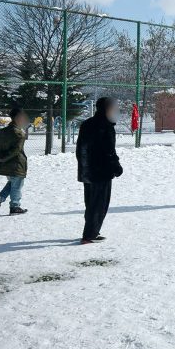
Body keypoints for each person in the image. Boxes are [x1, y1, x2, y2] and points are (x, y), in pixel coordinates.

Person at [76, 97, 123, 244]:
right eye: (113, 108)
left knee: (91, 203)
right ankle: (89, 235)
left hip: (87, 171)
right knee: (99, 204)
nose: (115, 111)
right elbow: (108, 150)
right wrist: (116, 166)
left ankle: (92, 232)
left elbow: (80, 149)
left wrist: (84, 168)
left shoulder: (87, 124)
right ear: (106, 109)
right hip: (100, 172)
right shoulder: (105, 126)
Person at [0, 107, 30, 215]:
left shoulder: (2, 132)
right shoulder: (19, 133)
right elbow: (16, 151)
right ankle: (15, 206)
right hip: (16, 165)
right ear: (17, 118)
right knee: (17, 185)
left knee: (12, 184)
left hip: (6, 165)